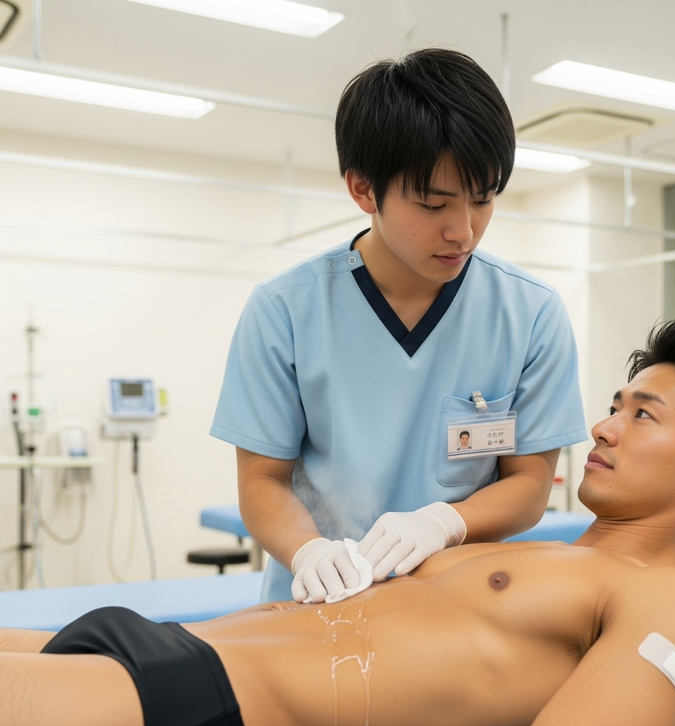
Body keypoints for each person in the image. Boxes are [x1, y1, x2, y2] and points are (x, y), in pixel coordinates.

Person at [3, 318, 675, 726]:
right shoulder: (532, 555)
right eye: (615, 406)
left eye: (642, 415)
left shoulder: (673, 602)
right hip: (161, 645)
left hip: (209, 705)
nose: (603, 427)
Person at [210, 47, 587, 603]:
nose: (463, 231)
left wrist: (443, 522)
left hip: (460, 606)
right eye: (434, 205)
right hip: (317, 605)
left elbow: (529, 484)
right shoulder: (285, 310)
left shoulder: (530, 313)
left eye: (483, 199)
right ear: (364, 189)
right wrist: (308, 551)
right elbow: (262, 480)